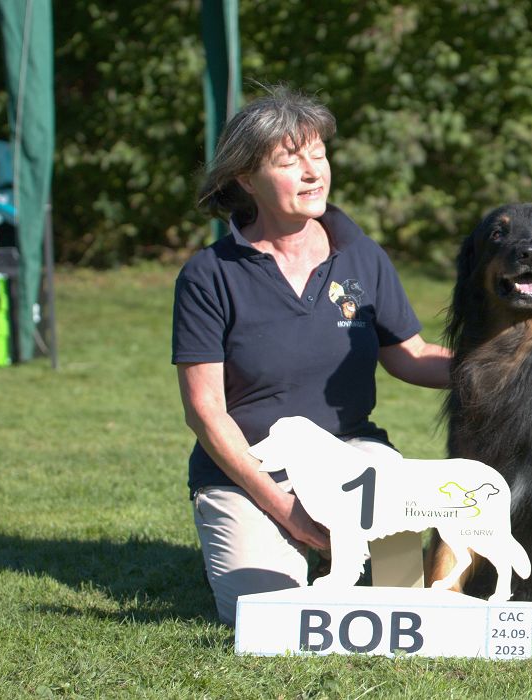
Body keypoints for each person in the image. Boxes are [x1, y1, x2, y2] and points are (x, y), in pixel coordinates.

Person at [172, 87, 451, 624]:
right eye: (289, 160)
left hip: (352, 458)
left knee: (407, 598)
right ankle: (288, 547)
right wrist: (289, 513)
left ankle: (361, 558)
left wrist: (511, 371)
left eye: (318, 154)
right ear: (244, 180)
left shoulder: (361, 255)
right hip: (251, 470)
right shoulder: (208, 275)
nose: (312, 172)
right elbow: (205, 411)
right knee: (266, 616)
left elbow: (411, 355)